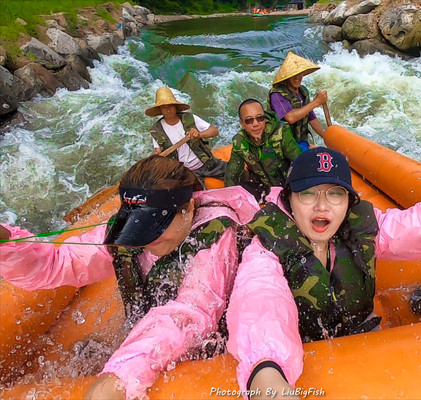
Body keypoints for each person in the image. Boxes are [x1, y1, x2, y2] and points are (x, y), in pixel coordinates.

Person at [225, 147, 421, 397]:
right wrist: (267, 370)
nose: (322, 207)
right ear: (289, 199)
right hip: (300, 353)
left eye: (335, 194)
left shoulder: (367, 229)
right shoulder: (265, 250)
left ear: (348, 201)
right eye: (308, 193)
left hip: (361, 340)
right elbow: (261, 300)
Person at [0, 155, 260, 400]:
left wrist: (121, 374)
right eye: (141, 224)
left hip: (208, 348)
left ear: (189, 208)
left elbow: (193, 312)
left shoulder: (216, 236)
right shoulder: (127, 229)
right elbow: (59, 263)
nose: (146, 236)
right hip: (150, 338)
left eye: (156, 223)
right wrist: (5, 243)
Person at [224, 98, 302, 202]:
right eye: (249, 120)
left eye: (260, 118)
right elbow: (232, 173)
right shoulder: (239, 141)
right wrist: (231, 199)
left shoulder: (281, 131)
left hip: (286, 184)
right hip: (262, 187)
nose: (255, 124)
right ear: (242, 123)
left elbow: (298, 159)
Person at [146, 86, 227, 183]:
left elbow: (214, 131)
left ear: (175, 106)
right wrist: (155, 156)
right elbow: (159, 152)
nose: (168, 110)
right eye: (164, 107)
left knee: (237, 173)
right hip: (186, 173)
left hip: (207, 163)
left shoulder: (189, 118)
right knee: (198, 196)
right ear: (160, 110)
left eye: (170, 106)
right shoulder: (156, 130)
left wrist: (199, 135)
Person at [268, 52, 328, 151]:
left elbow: (310, 117)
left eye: (299, 74)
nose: (297, 78)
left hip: (300, 141)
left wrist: (325, 136)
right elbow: (290, 117)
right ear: (287, 77)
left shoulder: (303, 91)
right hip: (281, 144)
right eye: (293, 75)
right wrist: (316, 102)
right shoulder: (277, 94)